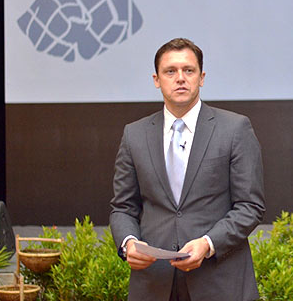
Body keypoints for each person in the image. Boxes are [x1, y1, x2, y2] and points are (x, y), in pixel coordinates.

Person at [110, 38, 265, 301]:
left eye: (189, 70)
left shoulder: (235, 129)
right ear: (156, 80)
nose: (180, 78)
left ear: (201, 78)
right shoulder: (134, 135)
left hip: (219, 282)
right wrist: (128, 243)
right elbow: (123, 207)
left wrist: (208, 243)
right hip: (154, 283)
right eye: (170, 71)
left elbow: (250, 206)